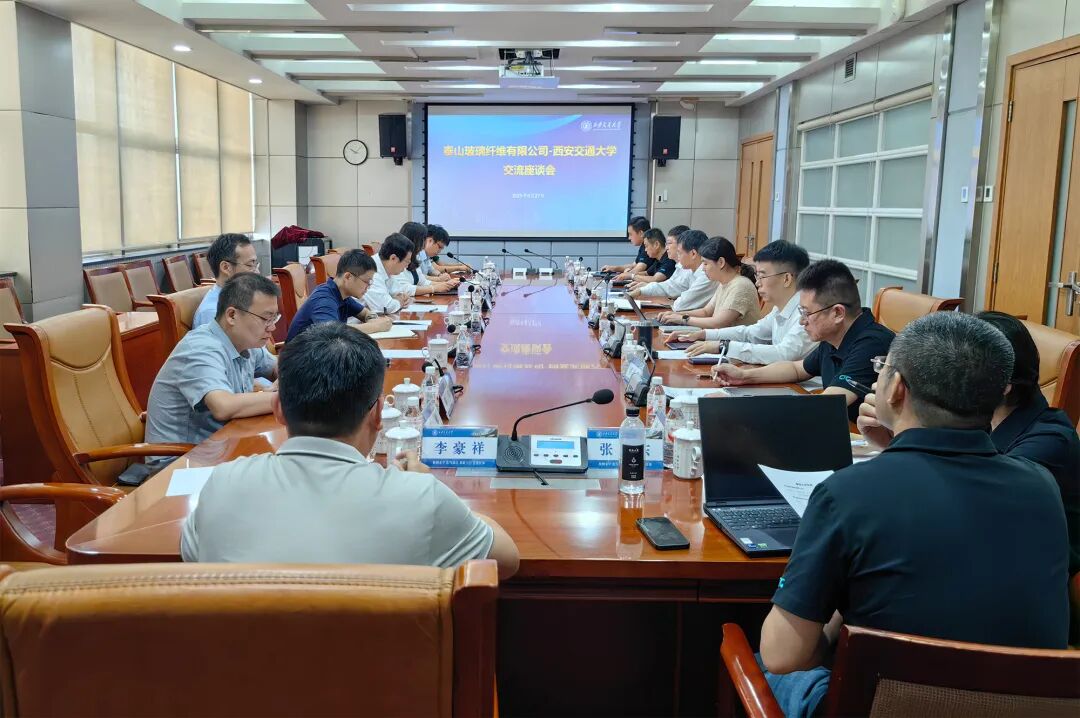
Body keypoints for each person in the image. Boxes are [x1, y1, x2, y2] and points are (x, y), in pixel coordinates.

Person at [761, 312, 1069, 718]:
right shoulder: (1042, 485)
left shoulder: (847, 494)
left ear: (896, 388)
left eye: (883, 369)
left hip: (880, 704)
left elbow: (783, 655)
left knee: (767, 661)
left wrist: (832, 634)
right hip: (1018, 705)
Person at [179, 322, 520, 580]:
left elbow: (193, 557)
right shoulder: (420, 497)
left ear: (278, 409)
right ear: (377, 415)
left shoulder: (221, 485)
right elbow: (506, 561)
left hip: (247, 658)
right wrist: (433, 489)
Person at [859, 311, 1080, 576]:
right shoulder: (977, 417)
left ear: (1002, 386)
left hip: (1021, 573)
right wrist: (896, 441)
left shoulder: (1048, 443)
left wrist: (902, 436)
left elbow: (959, 502)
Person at [712, 259, 893, 421]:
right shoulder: (835, 336)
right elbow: (796, 369)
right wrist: (744, 376)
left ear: (838, 313)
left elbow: (828, 403)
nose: (801, 321)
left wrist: (743, 409)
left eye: (807, 313)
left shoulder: (872, 343)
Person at [146, 273, 280, 447]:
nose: (272, 327)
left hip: (223, 443)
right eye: (266, 319)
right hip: (181, 456)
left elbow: (279, 367)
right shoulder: (200, 348)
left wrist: (286, 378)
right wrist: (285, 399)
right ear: (232, 315)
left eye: (274, 318)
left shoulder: (245, 341)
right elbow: (223, 406)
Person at [677, 240, 816, 363]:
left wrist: (723, 346)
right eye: (757, 275)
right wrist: (705, 335)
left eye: (762, 276)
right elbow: (750, 333)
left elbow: (784, 354)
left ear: (786, 279)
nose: (757, 283)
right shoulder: (779, 309)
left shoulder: (807, 313)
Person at [285, 250, 391, 341]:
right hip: (302, 356)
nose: (369, 287)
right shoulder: (324, 299)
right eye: (367, 281)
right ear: (348, 277)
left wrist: (372, 319)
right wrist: (375, 326)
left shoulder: (343, 295)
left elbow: (365, 313)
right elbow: (334, 331)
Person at [657, 237, 760, 330]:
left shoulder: (741, 286)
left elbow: (718, 323)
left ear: (721, 262)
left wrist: (683, 319)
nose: (703, 268)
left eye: (705, 263)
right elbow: (706, 312)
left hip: (734, 344)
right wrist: (675, 314)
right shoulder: (724, 283)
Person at [629, 229, 718, 312]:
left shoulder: (706, 275)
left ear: (693, 254)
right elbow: (670, 286)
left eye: (679, 252)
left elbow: (681, 305)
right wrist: (641, 291)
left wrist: (668, 302)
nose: (678, 257)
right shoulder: (690, 270)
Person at [192, 233, 260, 329]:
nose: (257, 272)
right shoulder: (213, 312)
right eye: (250, 265)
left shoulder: (240, 297)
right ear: (226, 267)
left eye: (256, 265)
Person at [393, 222, 457, 297]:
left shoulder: (414, 258)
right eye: (422, 241)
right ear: (413, 240)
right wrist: (434, 288)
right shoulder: (397, 258)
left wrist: (447, 285)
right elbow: (404, 289)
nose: (423, 245)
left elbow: (422, 281)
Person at [365, 233, 414, 314]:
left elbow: (398, 292)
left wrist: (402, 296)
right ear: (393, 258)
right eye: (407, 261)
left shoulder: (386, 268)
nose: (407, 266)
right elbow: (385, 307)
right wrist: (399, 302)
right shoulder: (371, 271)